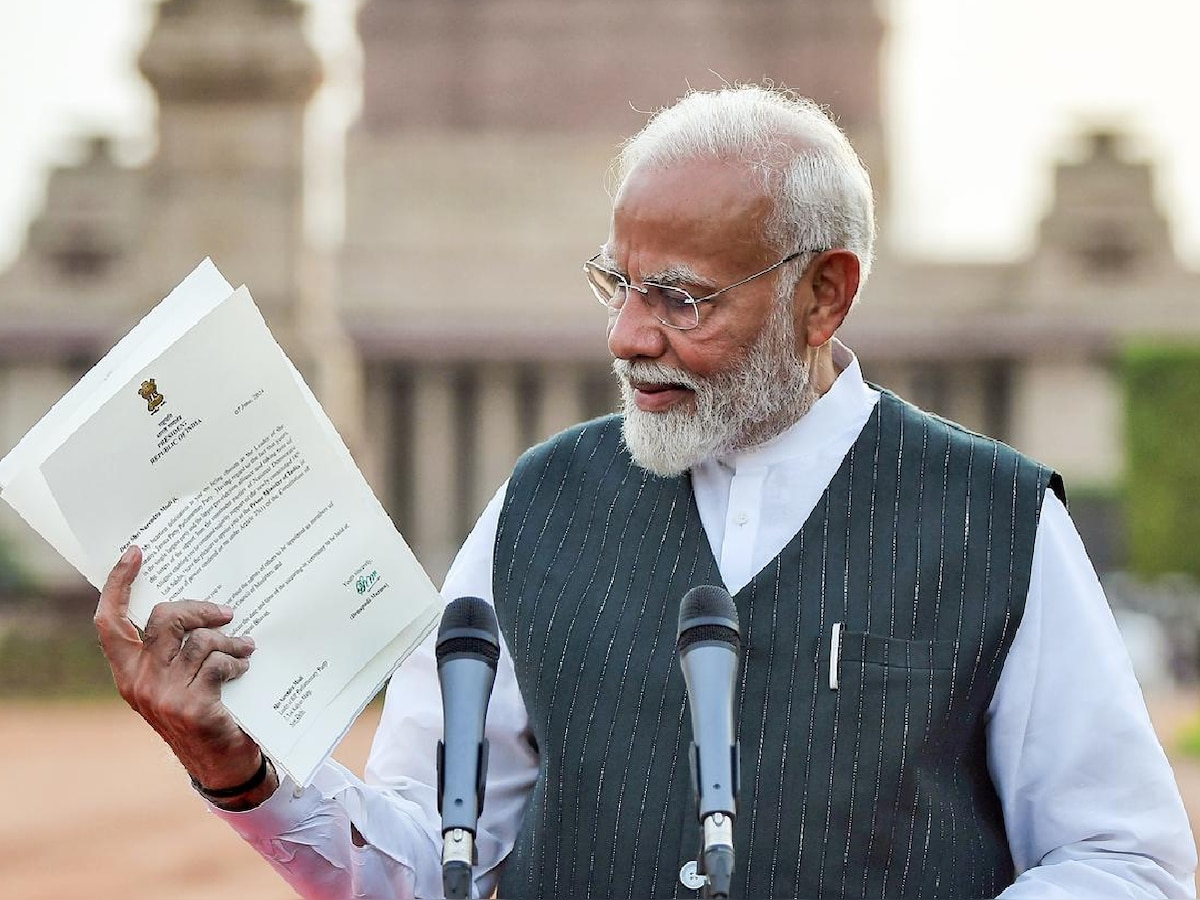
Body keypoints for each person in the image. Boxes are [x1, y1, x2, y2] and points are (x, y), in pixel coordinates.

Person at [95, 85, 1197, 899]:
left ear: (825, 295)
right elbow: (434, 860)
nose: (628, 337)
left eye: (681, 297)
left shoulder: (994, 521)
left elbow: (1125, 860)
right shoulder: (540, 505)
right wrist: (235, 767)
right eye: (617, 284)